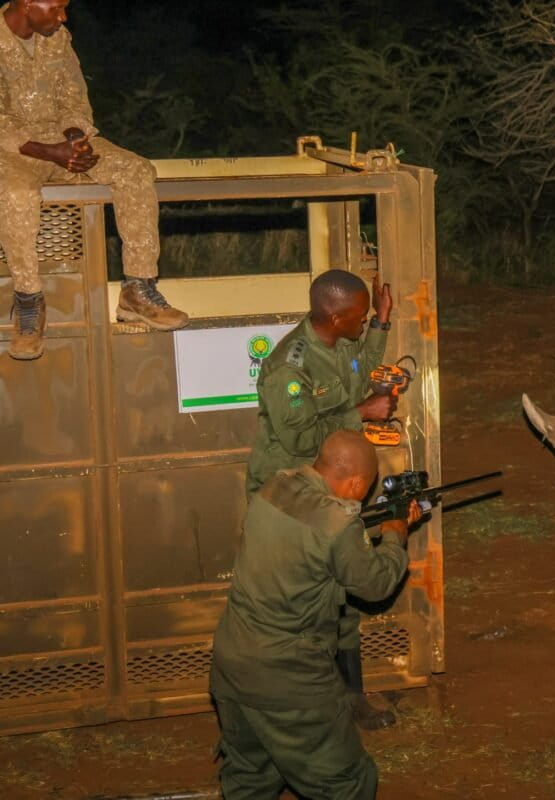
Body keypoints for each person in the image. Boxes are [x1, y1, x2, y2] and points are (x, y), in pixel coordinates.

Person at [211, 430, 423, 800]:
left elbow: (313, 539)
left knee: (250, 778)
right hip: (289, 676)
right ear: (356, 480)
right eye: (365, 489)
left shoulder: (274, 487)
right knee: (348, 783)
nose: (362, 496)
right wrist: (395, 534)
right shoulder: (338, 524)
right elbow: (375, 584)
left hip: (233, 664)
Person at [246, 267, 398, 728]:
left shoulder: (339, 342)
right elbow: (298, 443)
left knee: (344, 601)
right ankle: (298, 710)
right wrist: (361, 413)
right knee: (303, 608)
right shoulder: (288, 369)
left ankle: (351, 702)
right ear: (335, 317)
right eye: (360, 315)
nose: (363, 320)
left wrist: (382, 323)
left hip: (329, 491)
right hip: (288, 498)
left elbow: (360, 366)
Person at [0, 0, 188, 361]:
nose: (63, 16)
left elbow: (74, 99)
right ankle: (28, 304)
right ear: (26, 4)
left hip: (59, 145)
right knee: (17, 193)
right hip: (16, 153)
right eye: (55, 7)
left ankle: (138, 289)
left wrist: (74, 137)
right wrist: (50, 152)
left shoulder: (57, 38)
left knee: (135, 170)